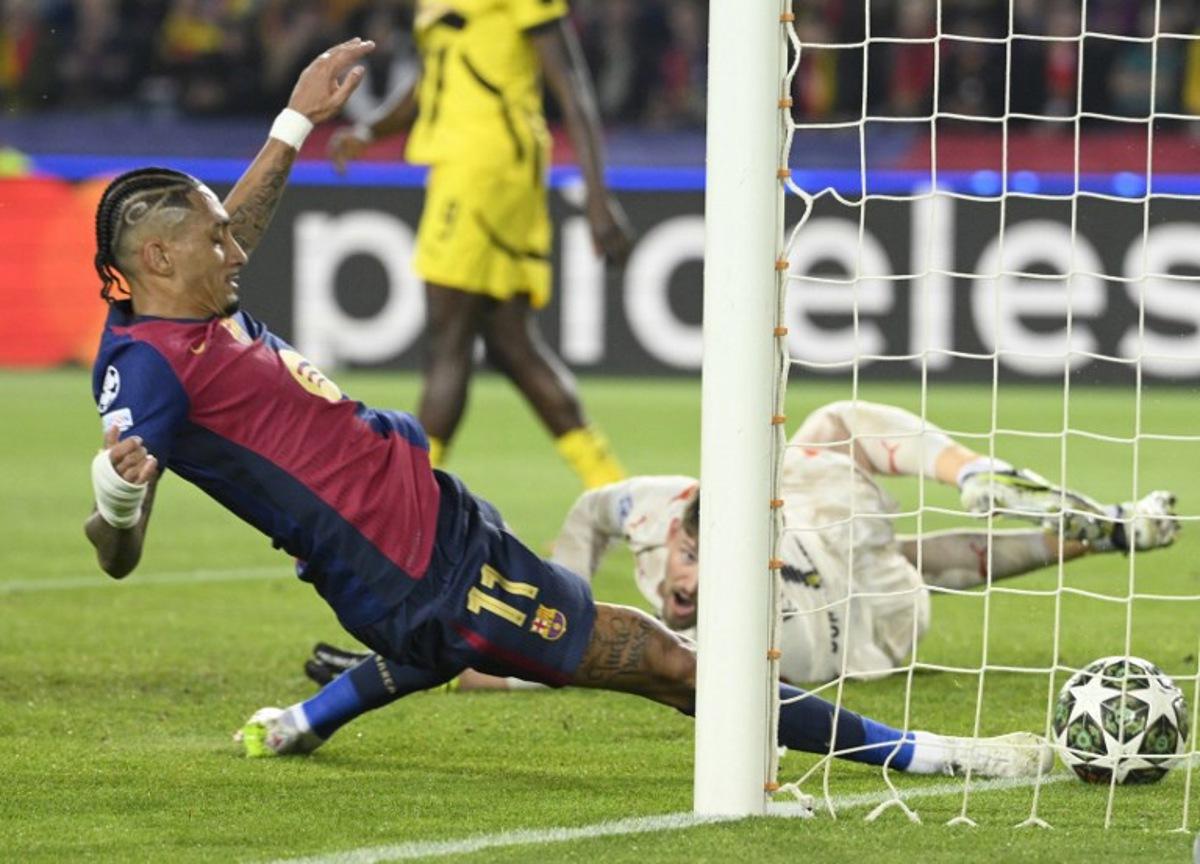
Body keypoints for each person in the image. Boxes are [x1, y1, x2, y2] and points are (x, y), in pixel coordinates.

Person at [84, 41, 1049, 785]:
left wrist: (294, 123)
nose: (236, 251)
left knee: (434, 648)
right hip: (419, 570)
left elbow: (234, 222)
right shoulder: (152, 375)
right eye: (214, 242)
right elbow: (118, 553)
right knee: (673, 667)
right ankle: (933, 757)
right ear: (161, 259)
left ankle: (302, 722)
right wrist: (117, 503)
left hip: (427, 533)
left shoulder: (189, 295)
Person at [306, 400, 1179, 689]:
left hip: (832, 569)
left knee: (833, 442)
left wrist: (480, 652)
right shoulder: (658, 510)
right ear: (680, 525)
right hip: (865, 598)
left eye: (694, 570)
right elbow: (596, 509)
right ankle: (1044, 505)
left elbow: (571, 647)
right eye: (689, 563)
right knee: (909, 546)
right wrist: (558, 597)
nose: (682, 584)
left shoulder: (711, 615)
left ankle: (1003, 485)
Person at [327, 0, 632, 488]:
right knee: (511, 343)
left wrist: (598, 196)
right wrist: (371, 128)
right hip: (478, 168)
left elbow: (571, 85)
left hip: (483, 170)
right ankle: (617, 493)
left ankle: (409, 500)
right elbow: (434, 79)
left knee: (449, 337)